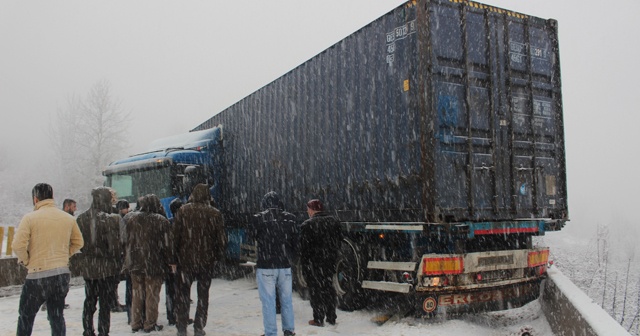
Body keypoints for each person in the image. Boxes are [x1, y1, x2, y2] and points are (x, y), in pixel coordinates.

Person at [12, 183, 84, 336]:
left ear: (35, 199)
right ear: (52, 197)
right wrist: (64, 255)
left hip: (37, 276)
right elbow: (79, 242)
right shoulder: (67, 218)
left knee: (26, 316)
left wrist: (26, 261)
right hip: (61, 275)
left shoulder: (30, 218)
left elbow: (18, 245)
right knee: (57, 316)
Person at [173, 184, 226, 336]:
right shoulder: (214, 213)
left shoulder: (183, 211)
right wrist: (217, 256)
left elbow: (174, 236)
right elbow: (221, 239)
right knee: (203, 295)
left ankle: (181, 327)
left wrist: (173, 258)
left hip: (185, 261)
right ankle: (199, 326)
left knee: (182, 295)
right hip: (206, 261)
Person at [74, 187, 123, 336]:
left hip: (89, 268)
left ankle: (88, 330)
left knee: (89, 301)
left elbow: (78, 244)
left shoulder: (81, 218)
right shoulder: (109, 219)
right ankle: (103, 332)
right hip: (106, 269)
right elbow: (114, 247)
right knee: (104, 305)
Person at [123, 194, 173, 333]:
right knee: (152, 295)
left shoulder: (131, 219)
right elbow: (167, 245)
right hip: (153, 263)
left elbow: (124, 240)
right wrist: (170, 261)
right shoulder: (161, 221)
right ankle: (149, 323)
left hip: (135, 262)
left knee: (137, 294)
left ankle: (135, 322)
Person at [250, 191, 297, 336]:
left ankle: (271, 333)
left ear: (265, 203)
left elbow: (252, 237)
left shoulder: (258, 218)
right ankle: (289, 330)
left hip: (266, 265)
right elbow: (295, 241)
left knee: (268, 301)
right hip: (285, 265)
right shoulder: (291, 219)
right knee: (287, 300)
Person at [299, 199, 342, 327]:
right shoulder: (334, 222)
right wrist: (332, 255)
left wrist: (305, 266)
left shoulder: (307, 225)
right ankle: (331, 317)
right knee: (329, 287)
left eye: (308, 209)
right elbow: (339, 241)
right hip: (329, 262)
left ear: (312, 209)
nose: (307, 212)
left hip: (314, 263)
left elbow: (304, 249)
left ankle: (318, 318)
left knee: (316, 290)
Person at [165, 198, 184, 327]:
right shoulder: (183, 223)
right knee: (180, 290)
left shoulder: (168, 223)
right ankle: (180, 315)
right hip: (180, 261)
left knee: (170, 289)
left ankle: (171, 316)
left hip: (170, 261)